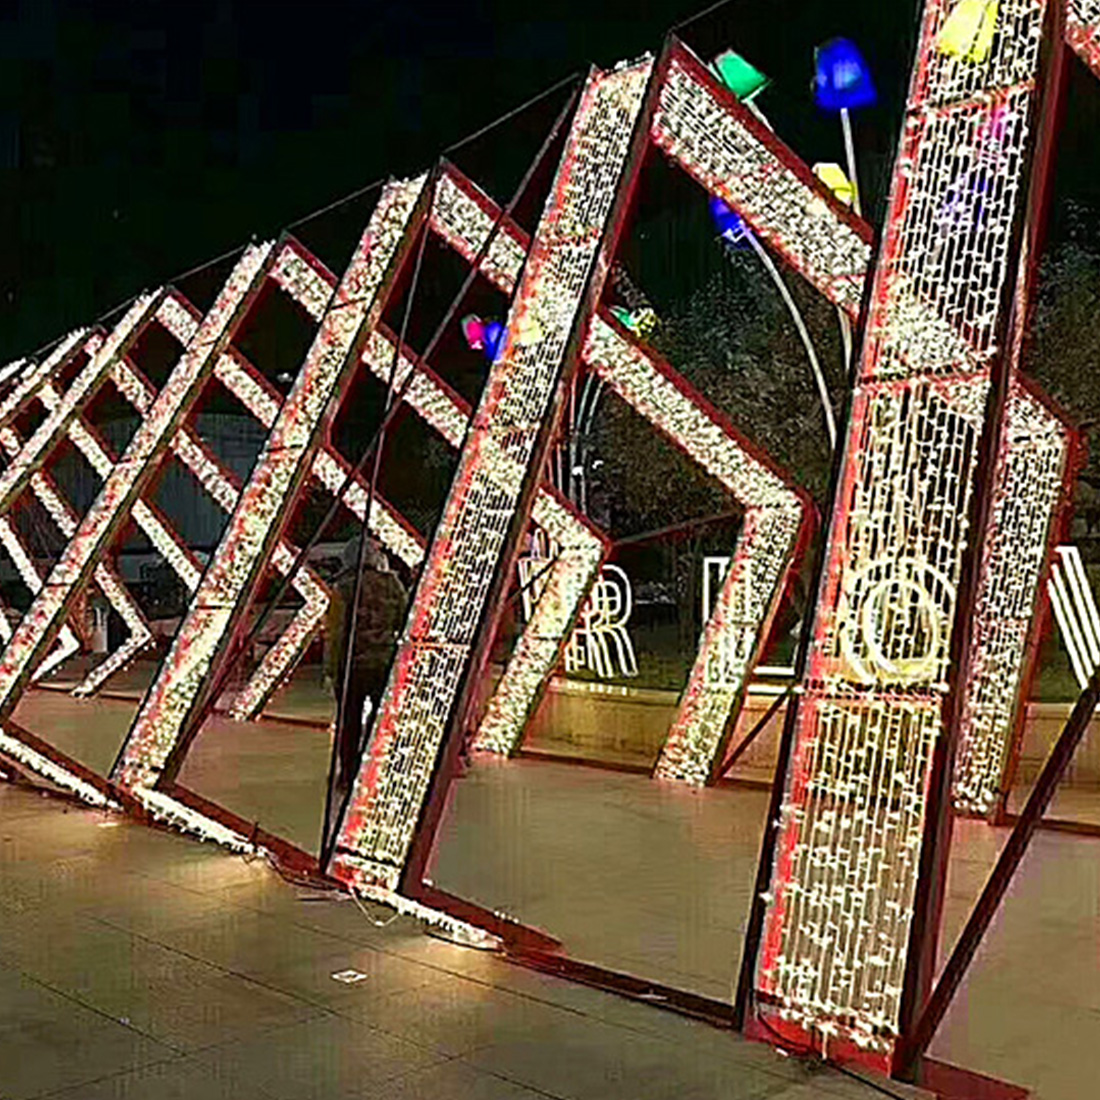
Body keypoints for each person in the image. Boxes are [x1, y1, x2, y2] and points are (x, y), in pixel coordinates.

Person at [325, 536, 408, 787]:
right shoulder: (392, 584)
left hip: (352, 666)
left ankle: (349, 773)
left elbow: (337, 632)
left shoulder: (345, 587)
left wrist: (332, 669)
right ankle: (385, 769)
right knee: (382, 720)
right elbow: (403, 620)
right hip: (384, 662)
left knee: (349, 722)